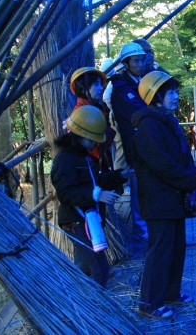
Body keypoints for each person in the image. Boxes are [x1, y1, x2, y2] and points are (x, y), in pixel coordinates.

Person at [132, 71, 196, 319]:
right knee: (161, 249)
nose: (176, 96)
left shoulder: (165, 120)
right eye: (171, 92)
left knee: (176, 247)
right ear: (156, 96)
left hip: (172, 196)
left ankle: (171, 293)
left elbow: (179, 155)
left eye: (175, 91)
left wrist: (189, 177)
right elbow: (161, 163)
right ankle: (149, 303)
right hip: (158, 198)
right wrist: (189, 179)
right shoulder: (149, 125)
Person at [51, 105, 121, 287]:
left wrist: (120, 176)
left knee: (85, 267)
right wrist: (97, 196)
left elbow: (93, 180)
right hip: (75, 221)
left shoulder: (82, 155)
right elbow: (66, 194)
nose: (95, 144)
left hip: (87, 219)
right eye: (92, 140)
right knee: (98, 269)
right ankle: (96, 308)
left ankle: (79, 302)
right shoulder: (65, 160)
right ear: (80, 136)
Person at [109, 42, 149, 240]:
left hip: (146, 142)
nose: (140, 63)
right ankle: (141, 228)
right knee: (137, 185)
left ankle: (147, 223)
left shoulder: (141, 80)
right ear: (126, 63)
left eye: (142, 60)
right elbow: (138, 111)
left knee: (147, 183)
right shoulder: (121, 86)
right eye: (136, 60)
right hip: (133, 144)